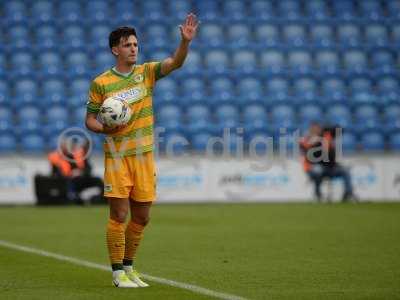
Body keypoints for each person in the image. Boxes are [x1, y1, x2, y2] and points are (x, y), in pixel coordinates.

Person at [85, 14, 199, 288]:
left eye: (136, 44)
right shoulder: (101, 83)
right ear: (116, 49)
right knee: (119, 214)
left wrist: (184, 42)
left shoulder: (146, 73)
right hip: (118, 157)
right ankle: (116, 274)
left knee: (142, 217)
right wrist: (104, 129)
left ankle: (129, 267)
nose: (134, 48)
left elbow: (176, 63)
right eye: (127, 45)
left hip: (144, 156)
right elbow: (89, 120)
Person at [299, 123, 355, 202]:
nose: (316, 131)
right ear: (310, 130)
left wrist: (327, 128)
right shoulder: (307, 140)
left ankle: (348, 193)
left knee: (345, 171)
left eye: (317, 129)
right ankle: (318, 194)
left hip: (331, 167)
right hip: (317, 166)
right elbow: (308, 154)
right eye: (313, 129)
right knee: (317, 171)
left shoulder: (326, 135)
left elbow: (340, 130)